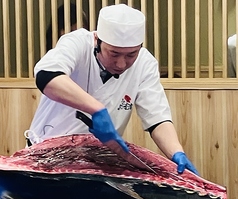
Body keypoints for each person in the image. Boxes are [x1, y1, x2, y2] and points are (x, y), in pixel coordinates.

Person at [27, 4, 199, 175]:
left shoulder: (145, 63)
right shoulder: (78, 42)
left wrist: (176, 152)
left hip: (96, 165)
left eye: (131, 55)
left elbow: (157, 118)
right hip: (45, 159)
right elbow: (46, 76)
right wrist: (96, 109)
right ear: (97, 40)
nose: (121, 64)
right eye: (114, 54)